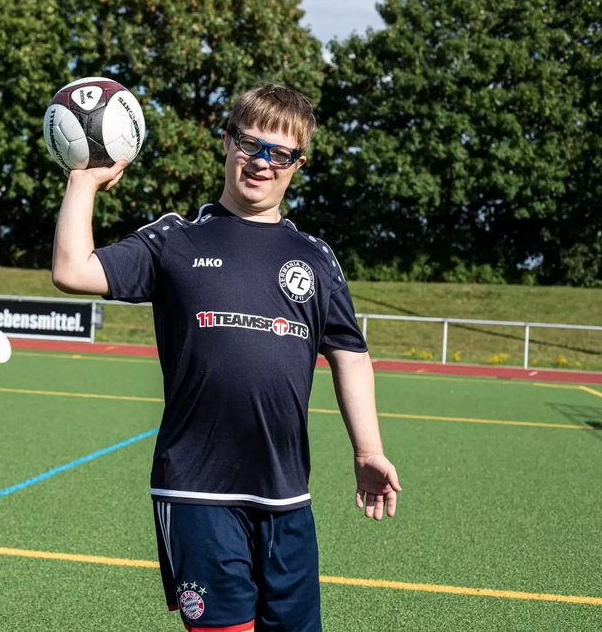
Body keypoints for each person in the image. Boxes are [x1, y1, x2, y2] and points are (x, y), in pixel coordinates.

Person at [51, 84, 401, 631]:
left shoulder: (314, 256)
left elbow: (350, 355)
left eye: (280, 154)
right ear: (226, 141)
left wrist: (368, 450)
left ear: (297, 165)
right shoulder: (175, 239)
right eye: (250, 144)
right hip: (196, 488)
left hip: (286, 492)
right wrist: (83, 180)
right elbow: (73, 270)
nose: (262, 162)